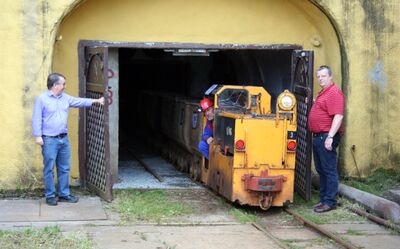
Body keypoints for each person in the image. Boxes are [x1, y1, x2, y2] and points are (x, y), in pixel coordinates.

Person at [32, 73, 104, 206]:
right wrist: (38, 135)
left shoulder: (65, 98)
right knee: (49, 168)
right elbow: (36, 118)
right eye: (63, 83)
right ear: (55, 85)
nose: (65, 86)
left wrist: (96, 101)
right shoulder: (41, 99)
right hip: (49, 139)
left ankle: (64, 195)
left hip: (63, 139)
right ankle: (50, 196)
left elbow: (79, 101)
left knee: (64, 168)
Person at [308, 65, 345, 213]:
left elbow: (338, 116)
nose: (320, 79)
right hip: (318, 136)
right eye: (318, 76)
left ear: (330, 77)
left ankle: (329, 202)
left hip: (326, 136)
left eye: (323, 76)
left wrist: (330, 136)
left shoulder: (334, 93)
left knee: (329, 170)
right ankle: (323, 200)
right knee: (321, 170)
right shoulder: (325, 93)